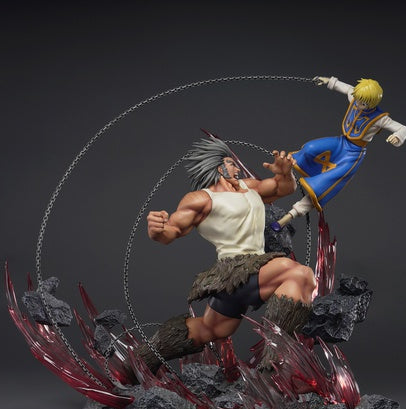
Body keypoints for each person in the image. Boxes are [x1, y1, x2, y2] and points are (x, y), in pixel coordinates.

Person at [129, 136, 316, 376]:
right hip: (233, 269)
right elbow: (172, 230)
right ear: (220, 168)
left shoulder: (250, 187)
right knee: (299, 274)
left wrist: (284, 173)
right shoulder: (202, 198)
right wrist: (157, 230)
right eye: (231, 163)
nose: (237, 168)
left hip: (253, 269)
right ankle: (274, 367)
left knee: (211, 329)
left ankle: (143, 357)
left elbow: (283, 188)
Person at [271, 76, 406, 230]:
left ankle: (287, 218)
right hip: (341, 142)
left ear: (371, 103)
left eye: (363, 103)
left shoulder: (380, 119)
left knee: (325, 185)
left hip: (353, 154)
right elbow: (346, 88)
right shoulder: (356, 98)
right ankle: (279, 180)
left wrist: (398, 136)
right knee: (310, 148)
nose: (358, 104)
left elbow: (403, 128)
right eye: (358, 100)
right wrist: (328, 81)